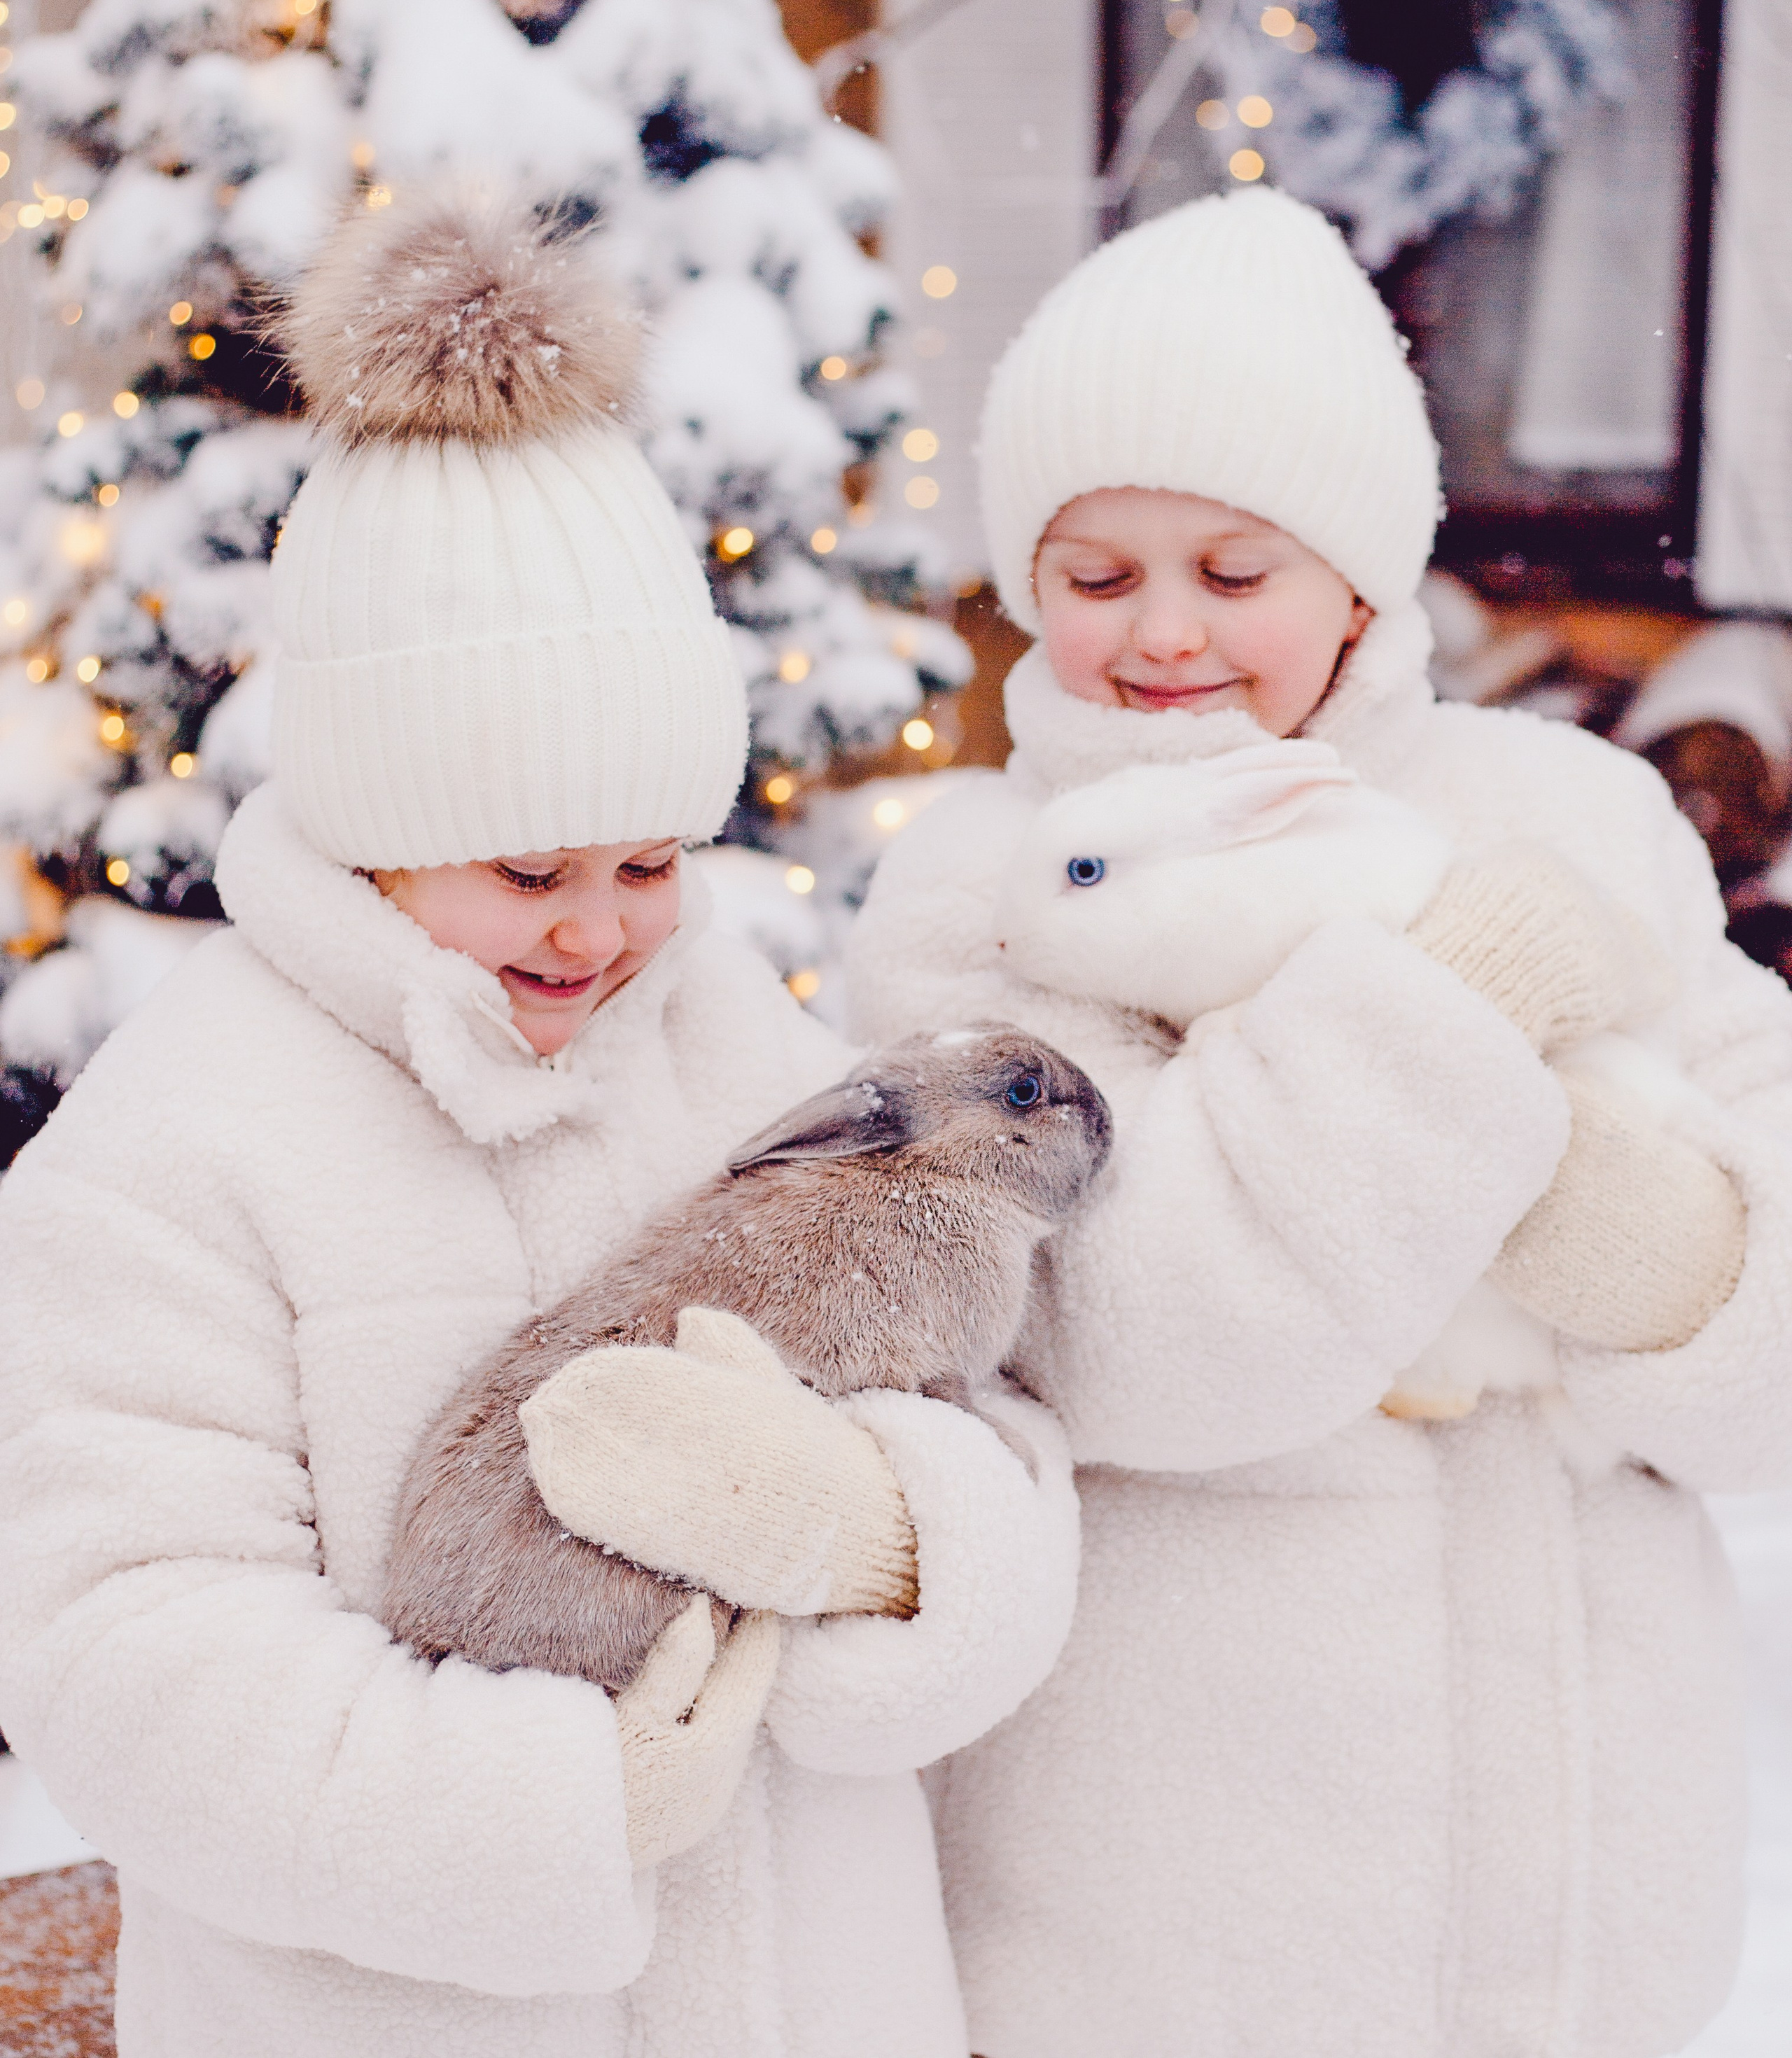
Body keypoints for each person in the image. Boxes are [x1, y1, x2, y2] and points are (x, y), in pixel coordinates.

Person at [0, 189, 1078, 2058]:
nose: (602, 925)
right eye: (526, 870)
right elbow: (123, 1647)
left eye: (652, 857)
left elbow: (1002, 1425)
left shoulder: (743, 1042)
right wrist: (555, 1807)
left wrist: (896, 1539)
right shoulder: (185, 1143)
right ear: (370, 824)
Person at [846, 188, 1792, 2058]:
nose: (1165, 635)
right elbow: (1138, 1338)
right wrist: (1445, 1035)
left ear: (1363, 573)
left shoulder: (1573, 824)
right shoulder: (994, 900)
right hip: (1177, 1921)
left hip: (1597, 1902)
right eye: (1098, 576)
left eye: (1236, 567)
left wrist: (1625, 1229)